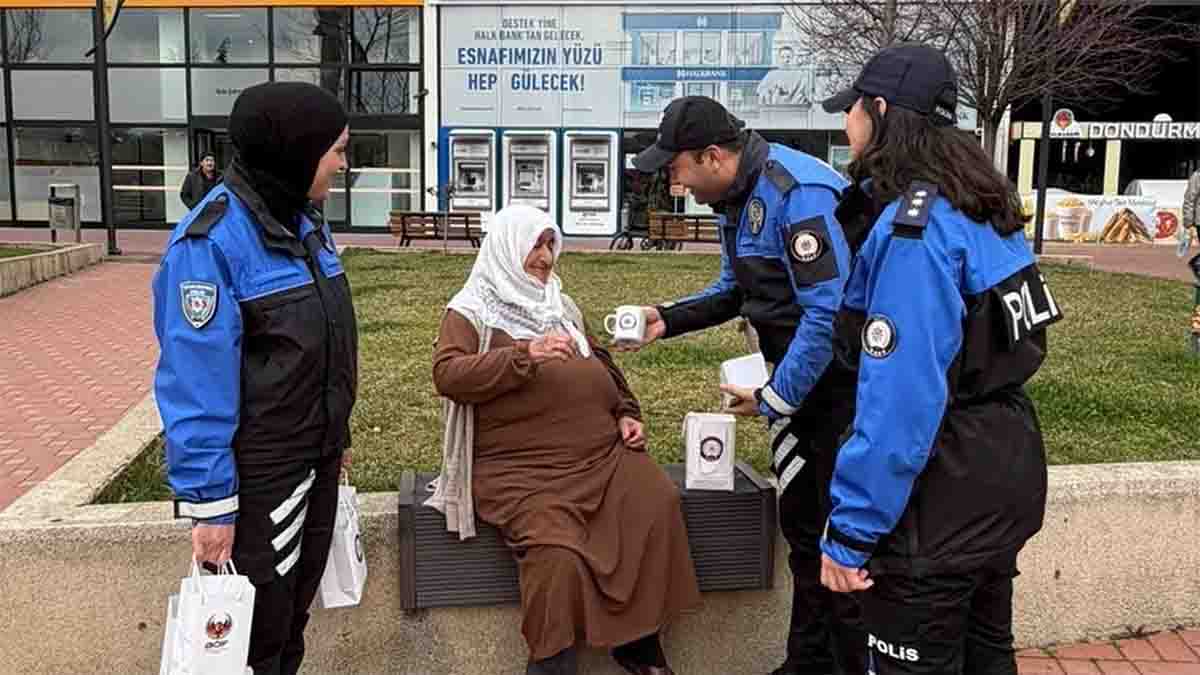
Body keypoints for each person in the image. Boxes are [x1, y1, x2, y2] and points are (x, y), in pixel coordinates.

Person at [815, 44, 1062, 674]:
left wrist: (850, 533)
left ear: (878, 110)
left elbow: (901, 404)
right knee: (987, 655)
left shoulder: (917, 233)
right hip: (1001, 476)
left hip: (937, 503)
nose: (847, 126)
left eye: (851, 111)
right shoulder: (984, 207)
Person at [626, 95, 867, 675]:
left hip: (838, 389)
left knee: (838, 537)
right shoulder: (735, 198)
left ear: (712, 156)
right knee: (804, 530)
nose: (672, 181)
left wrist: (774, 397)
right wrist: (667, 318)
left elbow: (825, 314)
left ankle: (842, 662)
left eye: (675, 167)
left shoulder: (797, 193)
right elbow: (737, 288)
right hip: (796, 387)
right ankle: (808, 661)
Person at [429, 204, 700, 675]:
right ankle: (551, 661)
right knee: (556, 554)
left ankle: (638, 643)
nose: (544, 256)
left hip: (600, 456)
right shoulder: (470, 310)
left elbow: (603, 365)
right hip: (521, 471)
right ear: (508, 247)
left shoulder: (561, 304)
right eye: (534, 244)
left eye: (550, 244)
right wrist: (522, 353)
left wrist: (625, 413)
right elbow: (448, 374)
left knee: (655, 502)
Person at [152, 81, 357, 675]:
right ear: (295, 150)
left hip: (314, 459)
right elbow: (195, 383)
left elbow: (321, 346)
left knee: (289, 622)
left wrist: (335, 436)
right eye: (337, 151)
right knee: (251, 637)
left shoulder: (306, 225)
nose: (343, 166)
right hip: (262, 478)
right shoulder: (210, 240)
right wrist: (211, 508)